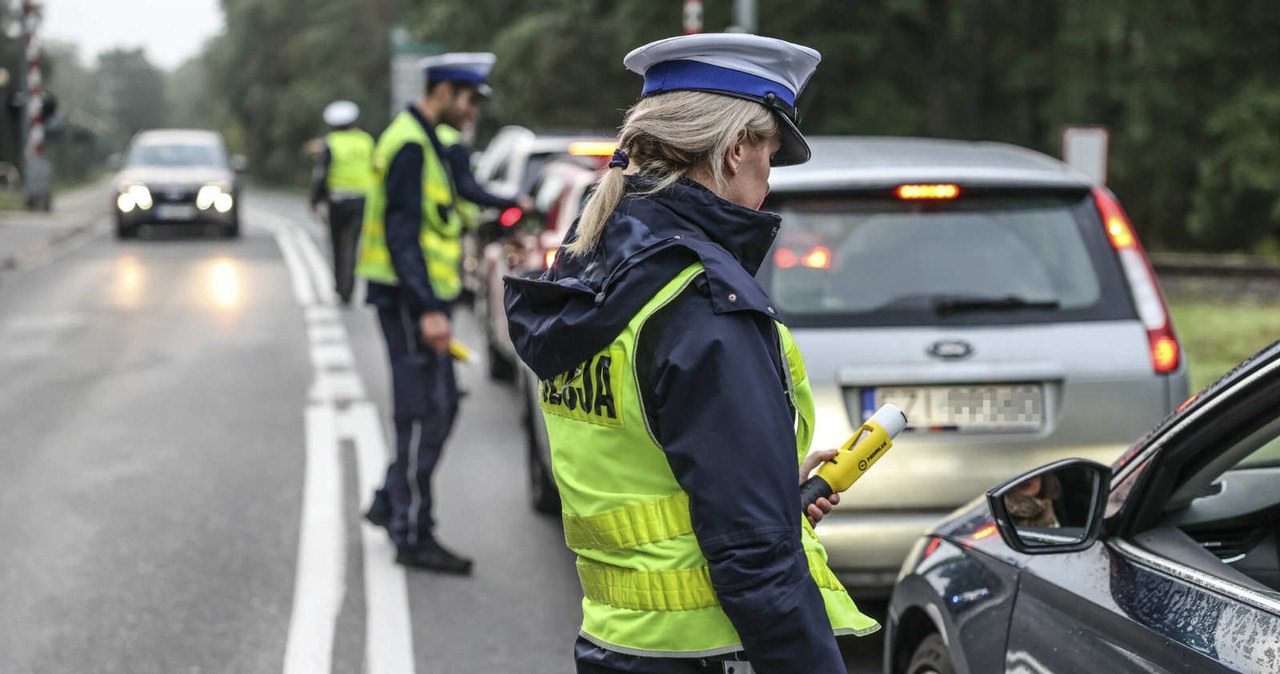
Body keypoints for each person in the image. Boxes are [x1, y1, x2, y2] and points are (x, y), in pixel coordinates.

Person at [504, 33, 879, 673]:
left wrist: (762, 484)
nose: (767, 185)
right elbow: (755, 557)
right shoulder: (701, 301)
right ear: (735, 151)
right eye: (769, 159)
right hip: (712, 654)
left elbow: (640, 462)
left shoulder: (589, 271)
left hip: (615, 644)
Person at [355, 53, 498, 575]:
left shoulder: (429, 142)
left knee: (438, 406)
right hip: (410, 303)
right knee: (422, 414)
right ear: (444, 91)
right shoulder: (411, 147)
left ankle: (391, 502)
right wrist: (428, 312)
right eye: (471, 100)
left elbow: (455, 202)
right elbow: (401, 237)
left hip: (420, 300)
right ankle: (413, 532)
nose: (473, 111)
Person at [310, 100, 375, 304]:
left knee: (337, 243)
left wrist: (315, 200)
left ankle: (340, 287)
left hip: (338, 202)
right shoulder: (366, 141)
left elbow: (321, 174)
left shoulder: (331, 142)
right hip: (362, 201)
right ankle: (349, 288)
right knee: (352, 245)